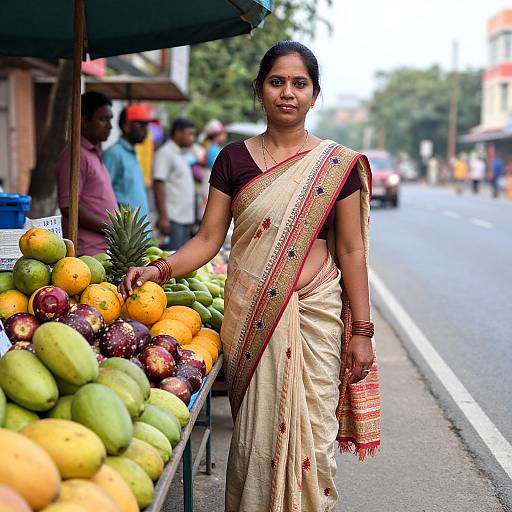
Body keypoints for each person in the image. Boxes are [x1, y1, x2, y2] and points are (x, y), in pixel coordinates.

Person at [120, 41, 380, 511]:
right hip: (253, 319)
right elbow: (207, 240)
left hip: (316, 320)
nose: (288, 92)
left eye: (299, 84)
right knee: (256, 446)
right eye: (276, 82)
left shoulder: (336, 166)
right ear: (259, 90)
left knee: (313, 444)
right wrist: (157, 269)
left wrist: (361, 331)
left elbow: (351, 249)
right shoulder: (232, 160)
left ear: (315, 94)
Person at [55, 91, 118, 256]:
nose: (109, 126)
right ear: (84, 121)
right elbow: (68, 206)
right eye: (103, 119)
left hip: (101, 250)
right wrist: (111, 228)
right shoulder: (74, 155)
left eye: (110, 119)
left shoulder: (92, 153)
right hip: (86, 251)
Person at [102, 104, 155, 222]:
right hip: (125, 234)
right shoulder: (114, 154)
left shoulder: (132, 153)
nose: (145, 130)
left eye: (146, 125)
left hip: (138, 233)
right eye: (141, 125)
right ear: (127, 126)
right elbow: (103, 196)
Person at [152, 118, 196, 250]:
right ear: (178, 132)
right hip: (172, 218)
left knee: (182, 259)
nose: (192, 138)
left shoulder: (180, 154)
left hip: (184, 218)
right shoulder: (165, 153)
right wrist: (163, 217)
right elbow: (159, 183)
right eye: (190, 134)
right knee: (171, 259)